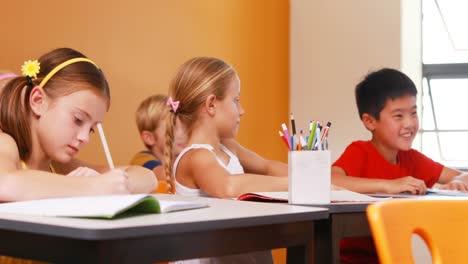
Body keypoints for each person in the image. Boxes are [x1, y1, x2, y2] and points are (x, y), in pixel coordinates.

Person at [332, 68, 468, 263]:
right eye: (398, 116)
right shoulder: (360, 151)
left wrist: (457, 181)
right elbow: (331, 180)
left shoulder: (412, 158)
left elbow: (463, 175)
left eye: (413, 113)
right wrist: (388, 185)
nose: (409, 123)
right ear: (370, 121)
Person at [164, 56, 288, 264]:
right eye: (236, 100)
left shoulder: (228, 148)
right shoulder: (196, 156)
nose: (242, 110)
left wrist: (316, 175)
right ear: (212, 104)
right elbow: (227, 186)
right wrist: (299, 184)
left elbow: (268, 167)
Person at [0, 48, 157, 203]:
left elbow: (147, 177)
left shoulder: (57, 165)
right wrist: (93, 187)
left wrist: (119, 186)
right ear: (38, 101)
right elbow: (5, 183)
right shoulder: (5, 143)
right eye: (78, 119)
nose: (85, 138)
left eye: (91, 129)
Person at [130, 94, 186, 193]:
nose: (183, 134)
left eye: (185, 127)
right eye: (173, 127)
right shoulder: (142, 159)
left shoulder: (184, 158)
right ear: (150, 138)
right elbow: (160, 175)